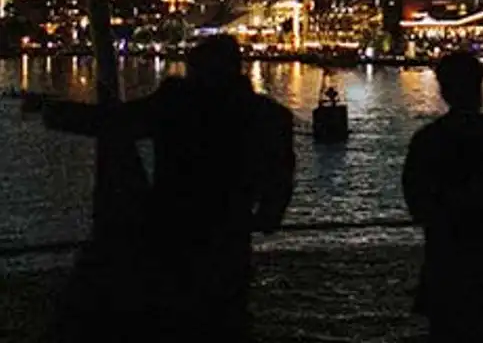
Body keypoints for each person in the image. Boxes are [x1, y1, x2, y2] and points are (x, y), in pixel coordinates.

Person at [43, 35, 294, 343]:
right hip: (229, 238)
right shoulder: (270, 116)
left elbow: (117, 122)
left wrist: (54, 113)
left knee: (173, 317)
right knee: (225, 317)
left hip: (173, 231)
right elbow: (279, 179)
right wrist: (266, 217)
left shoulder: (177, 105)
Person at [402, 52, 483, 343]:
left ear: (443, 90)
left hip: (446, 262)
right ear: (479, 86)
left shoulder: (428, 140)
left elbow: (416, 201)